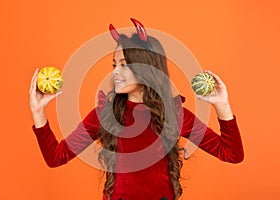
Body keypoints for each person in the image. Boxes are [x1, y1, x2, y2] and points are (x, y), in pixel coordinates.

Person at [29, 18, 244, 200]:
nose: (115, 72)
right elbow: (56, 158)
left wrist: (222, 105)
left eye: (124, 64)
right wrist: (38, 113)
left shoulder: (174, 113)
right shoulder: (105, 114)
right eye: (114, 65)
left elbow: (231, 154)